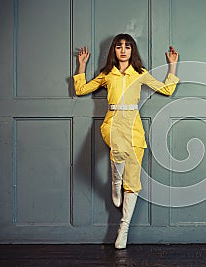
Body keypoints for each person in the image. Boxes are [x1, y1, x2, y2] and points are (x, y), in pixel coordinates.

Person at [73, 33, 179, 249]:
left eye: (127, 46)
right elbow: (81, 89)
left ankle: (124, 229)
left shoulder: (139, 74)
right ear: (114, 50)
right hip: (112, 123)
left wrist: (173, 66)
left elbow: (166, 90)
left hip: (134, 127)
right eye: (119, 46)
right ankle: (115, 182)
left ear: (132, 51)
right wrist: (81, 65)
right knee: (119, 152)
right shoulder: (107, 74)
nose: (123, 50)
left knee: (133, 181)